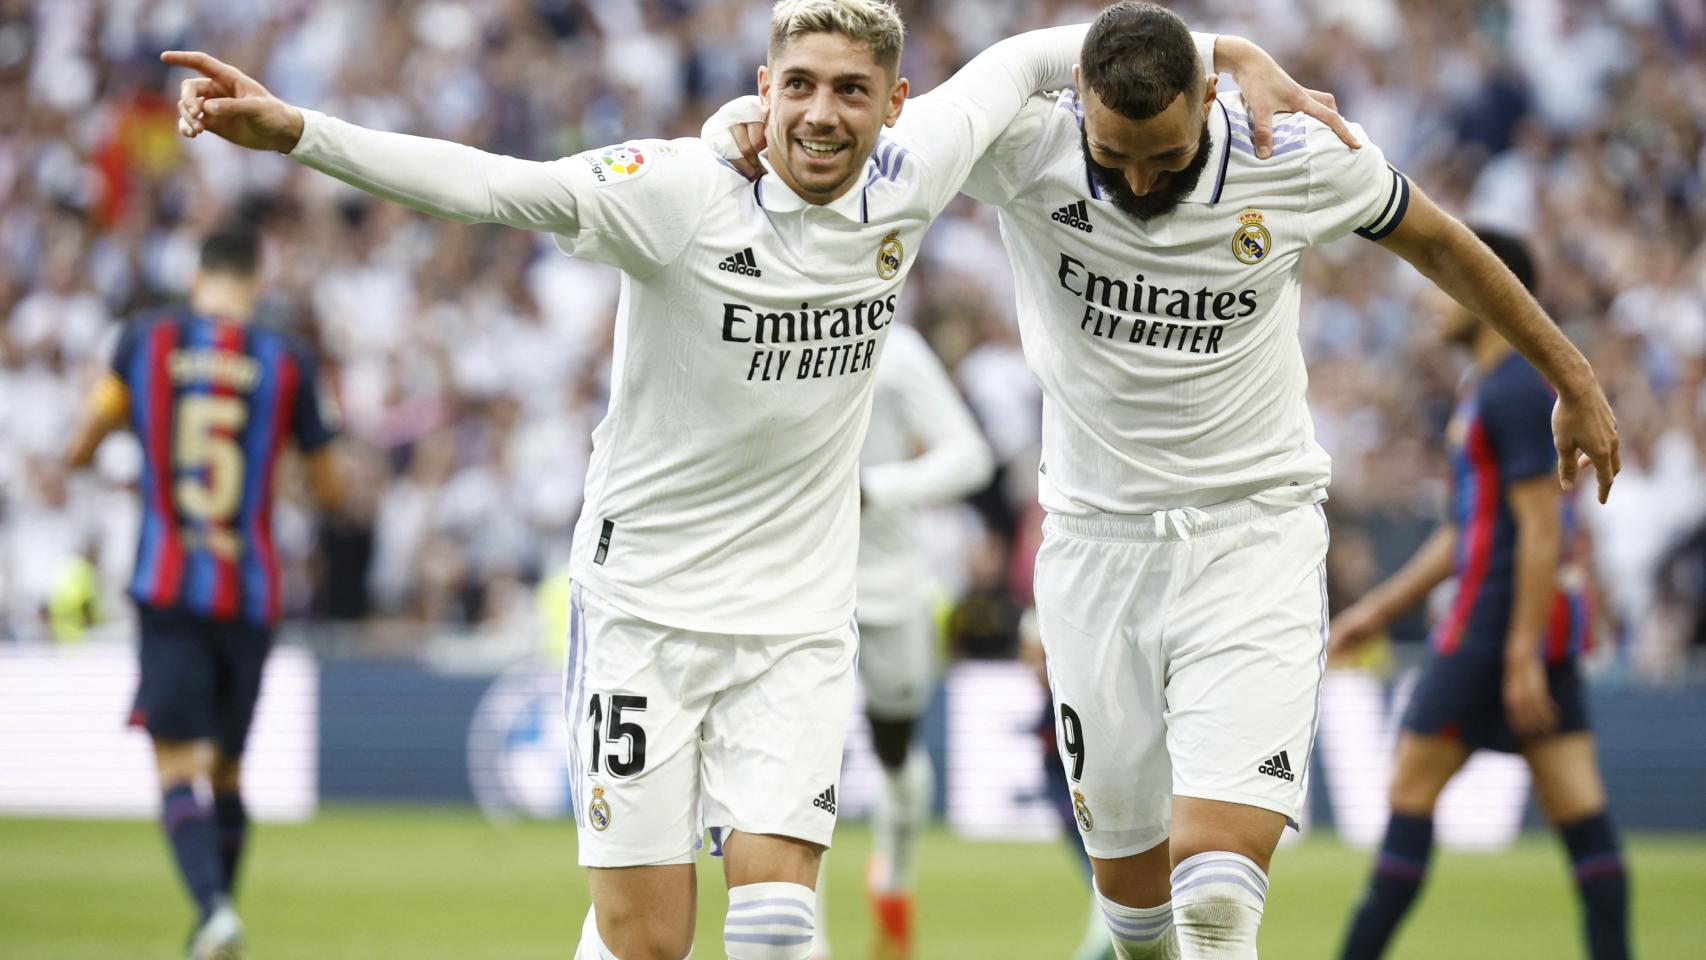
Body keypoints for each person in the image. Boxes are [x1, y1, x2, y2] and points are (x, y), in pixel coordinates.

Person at [163, 2, 1337, 955]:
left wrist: (1229, 52)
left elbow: (1051, 51)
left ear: (894, 106)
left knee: (775, 925)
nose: (821, 113)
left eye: (848, 90)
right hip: (642, 614)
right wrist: (301, 133)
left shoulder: (915, 172)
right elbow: (488, 183)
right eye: (797, 85)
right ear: (762, 89)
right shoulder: (672, 191)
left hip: (794, 628)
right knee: (645, 942)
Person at [696, 2, 1628, 956]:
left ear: (1209, 101)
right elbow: (861, 126)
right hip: (1095, 554)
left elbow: (1440, 240)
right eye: (1115, 157)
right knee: (1137, 918)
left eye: (1167, 158)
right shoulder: (1024, 147)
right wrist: (737, 121)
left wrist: (1572, 374)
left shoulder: (1291, 152)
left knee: (1218, 898)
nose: (1139, 179)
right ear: (1078, 113)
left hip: (1252, 538)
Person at [1329, 230, 1629, 960]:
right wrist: (1377, 611)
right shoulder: (1493, 389)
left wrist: (1518, 652)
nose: (1434, 299)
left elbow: (1540, 527)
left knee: (1408, 794)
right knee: (1581, 818)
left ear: (1489, 287)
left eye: (1446, 281)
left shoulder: (1517, 389)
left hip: (1491, 629)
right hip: (1530, 628)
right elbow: (1471, 528)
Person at [64, 226, 344, 960]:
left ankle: (214, 911)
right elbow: (334, 488)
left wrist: (126, 429)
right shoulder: (288, 360)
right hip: (250, 593)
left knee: (177, 766)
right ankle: (212, 924)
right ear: (258, 279)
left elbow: (81, 443)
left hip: (168, 584)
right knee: (225, 771)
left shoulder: (143, 341)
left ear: (197, 274)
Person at [811, 323, 992, 960]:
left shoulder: (894, 344)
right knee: (805, 765)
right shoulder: (759, 313)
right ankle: (807, 941)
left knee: (896, 754)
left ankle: (894, 876)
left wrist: (874, 488)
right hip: (799, 583)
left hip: (889, 585)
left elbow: (970, 455)